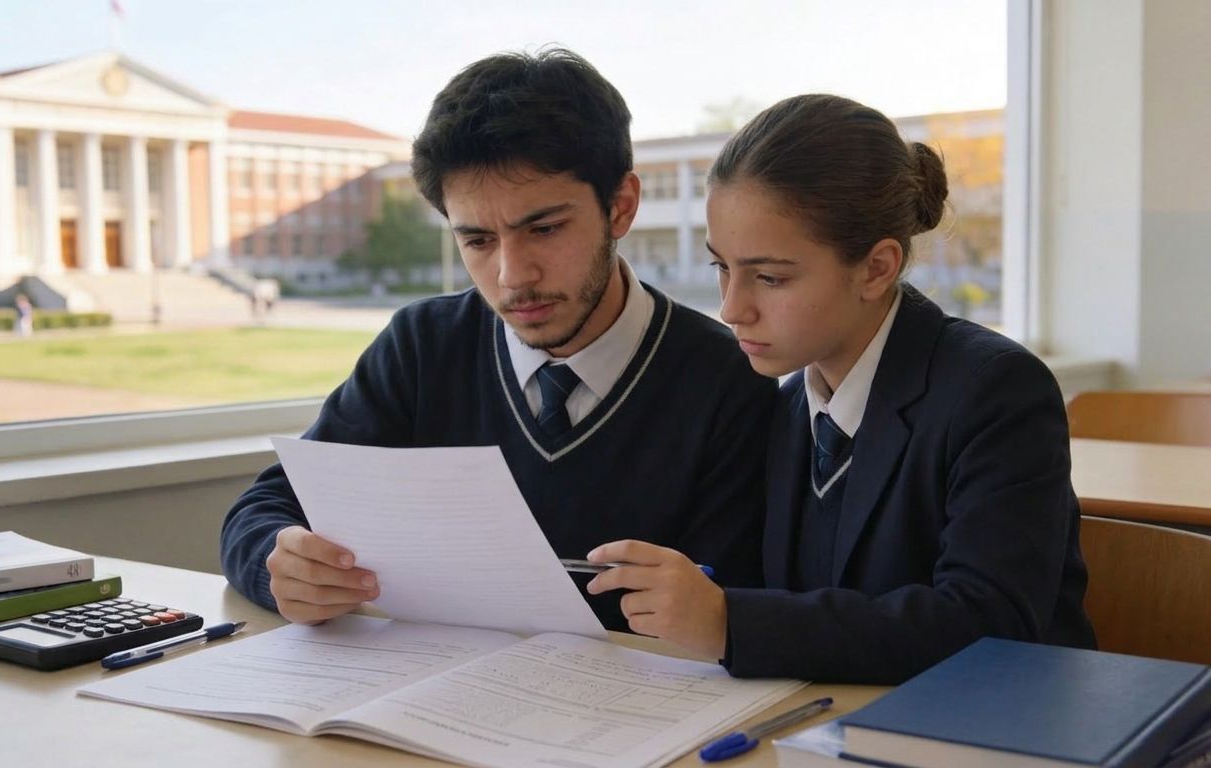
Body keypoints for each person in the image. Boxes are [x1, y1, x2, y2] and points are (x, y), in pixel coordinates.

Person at [219, 48, 777, 632]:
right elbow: (265, 509)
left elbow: (732, 604)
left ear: (621, 207)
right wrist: (281, 566)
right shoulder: (422, 346)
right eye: (478, 241)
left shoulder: (727, 377)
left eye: (544, 228)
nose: (513, 276)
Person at [585, 94, 1095, 683]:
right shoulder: (784, 406)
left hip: (998, 719)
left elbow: (988, 625)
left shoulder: (996, 392)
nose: (731, 308)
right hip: (829, 717)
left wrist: (730, 622)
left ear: (877, 268)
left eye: (769, 277)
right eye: (721, 267)